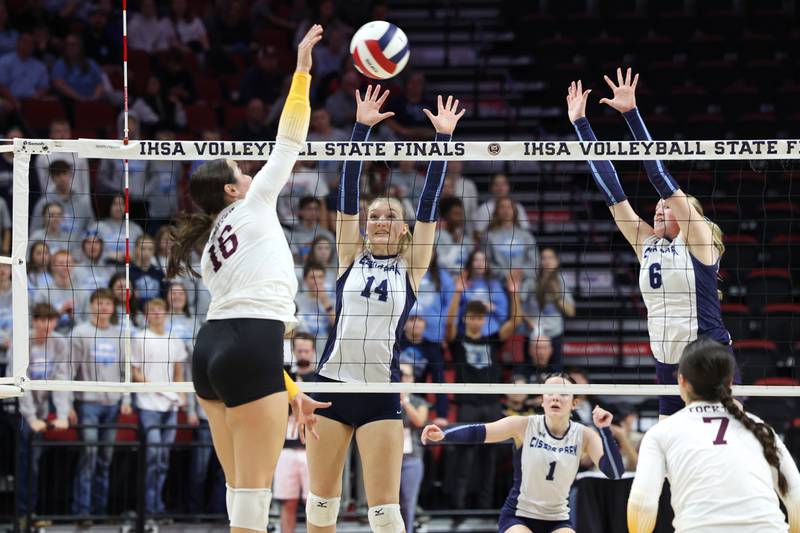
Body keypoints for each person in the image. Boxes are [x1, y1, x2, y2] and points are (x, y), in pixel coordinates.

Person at [166, 26, 328, 533]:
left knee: (241, 498)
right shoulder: (256, 202)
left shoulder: (210, 242)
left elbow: (239, 332)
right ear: (235, 190)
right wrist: (301, 71)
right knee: (253, 504)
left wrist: (285, 385)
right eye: (243, 170)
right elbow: (290, 139)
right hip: (250, 344)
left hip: (211, 352)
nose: (252, 171)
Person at [306, 86, 464, 532]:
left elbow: (430, 206)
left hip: (379, 390)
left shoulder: (412, 266)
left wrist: (443, 141)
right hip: (330, 385)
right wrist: (361, 129)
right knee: (320, 508)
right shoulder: (348, 255)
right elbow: (347, 194)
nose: (378, 221)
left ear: (403, 229)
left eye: (390, 216)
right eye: (374, 215)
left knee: (386, 514)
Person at [567, 71, 732, 417]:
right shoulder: (648, 245)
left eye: (667, 206)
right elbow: (612, 192)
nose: (659, 207)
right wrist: (581, 124)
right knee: (669, 453)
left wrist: (631, 114)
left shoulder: (699, 243)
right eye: (657, 206)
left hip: (705, 355)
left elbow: (660, 177)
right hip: (665, 363)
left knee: (707, 449)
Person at [627, 338, 800, 532]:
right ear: (730, 382)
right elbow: (796, 495)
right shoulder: (760, 427)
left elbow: (642, 504)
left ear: (681, 381)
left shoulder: (661, 432)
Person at [422, 374, 625, 533]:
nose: (555, 397)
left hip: (558, 519)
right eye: (550, 393)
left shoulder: (584, 435)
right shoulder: (524, 425)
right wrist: (444, 435)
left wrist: (605, 431)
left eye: (563, 393)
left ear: (574, 403)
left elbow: (615, 473)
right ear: (542, 400)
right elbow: (480, 431)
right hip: (519, 516)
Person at [444, 271, 524, 511]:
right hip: (467, 405)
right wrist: (458, 292)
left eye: (480, 318)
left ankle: (486, 506)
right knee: (464, 456)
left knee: (489, 458)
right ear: (466, 319)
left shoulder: (492, 340)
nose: (476, 321)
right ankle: (458, 506)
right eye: (472, 317)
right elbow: (448, 324)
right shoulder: (457, 341)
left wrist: (514, 293)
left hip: (490, 404)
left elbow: (516, 321)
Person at [70, 289, 132, 524]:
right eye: (99, 302)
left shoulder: (119, 334)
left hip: (113, 403)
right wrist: (68, 405)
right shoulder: (81, 332)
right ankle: (83, 512)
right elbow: (69, 370)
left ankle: (100, 510)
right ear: (91, 305)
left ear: (113, 307)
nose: (103, 307)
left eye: (107, 303)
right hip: (87, 403)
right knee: (89, 455)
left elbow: (126, 372)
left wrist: (126, 399)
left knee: (105, 459)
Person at [13, 303, 71, 523]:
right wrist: (31, 418)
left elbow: (61, 378)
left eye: (52, 320)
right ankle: (23, 514)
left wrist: (63, 413)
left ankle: (32, 513)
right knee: (27, 461)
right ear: (34, 321)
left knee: (37, 461)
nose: (47, 325)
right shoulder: (22, 341)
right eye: (42, 320)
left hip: (45, 407)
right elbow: (19, 383)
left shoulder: (59, 342)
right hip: (19, 408)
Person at [131, 298, 188, 517]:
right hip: (148, 404)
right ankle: (147, 507)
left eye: (159, 310)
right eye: (152, 311)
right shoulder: (140, 337)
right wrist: (155, 388)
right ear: (146, 315)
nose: (156, 314)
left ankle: (157, 507)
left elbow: (178, 371)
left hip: (170, 406)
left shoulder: (174, 340)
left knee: (163, 459)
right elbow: (135, 371)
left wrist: (181, 394)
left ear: (166, 313)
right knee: (152, 455)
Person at [274, 333, 317, 533]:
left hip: (312, 450)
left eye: (306, 350)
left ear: (313, 351)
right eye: (299, 350)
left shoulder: (319, 379)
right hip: (286, 449)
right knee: (287, 502)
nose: (302, 354)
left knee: (314, 504)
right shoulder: (284, 376)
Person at [524, 248, 575, 373]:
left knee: (555, 373)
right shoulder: (531, 281)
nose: (547, 261)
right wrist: (528, 321)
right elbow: (517, 307)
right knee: (529, 372)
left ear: (557, 261)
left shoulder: (561, 281)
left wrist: (556, 295)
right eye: (543, 258)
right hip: (532, 335)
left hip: (554, 335)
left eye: (550, 258)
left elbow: (571, 312)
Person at [398, 363, 429, 533]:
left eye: (407, 375)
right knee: (388, 503)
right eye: (400, 374)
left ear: (413, 378)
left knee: (408, 503)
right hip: (388, 460)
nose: (403, 377)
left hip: (412, 459)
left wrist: (405, 400)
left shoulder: (418, 401)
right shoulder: (386, 399)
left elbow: (419, 421)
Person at [459, 249, 508, 338]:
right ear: (470, 263)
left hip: (490, 334)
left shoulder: (495, 285)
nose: (480, 263)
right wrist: (470, 307)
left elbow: (503, 315)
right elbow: (456, 313)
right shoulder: (462, 284)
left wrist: (493, 308)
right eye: (476, 260)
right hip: (466, 333)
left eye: (483, 260)